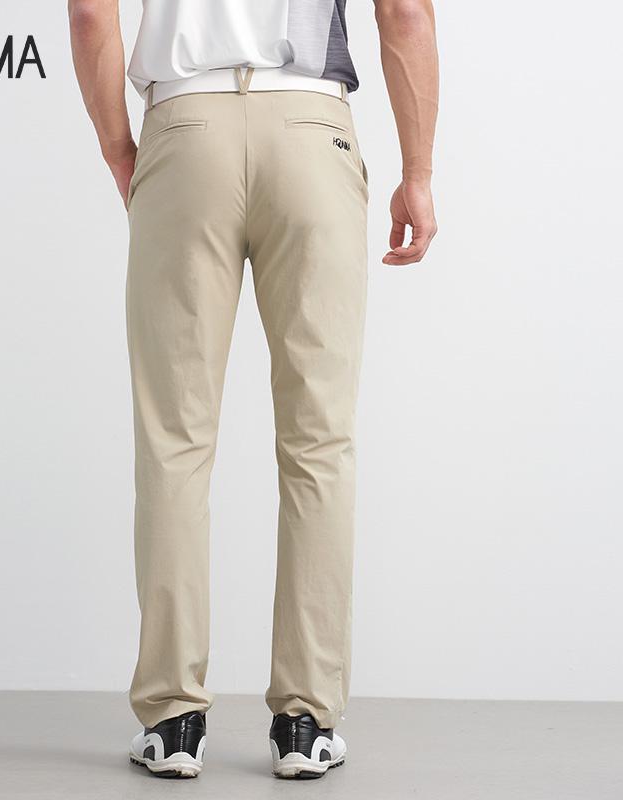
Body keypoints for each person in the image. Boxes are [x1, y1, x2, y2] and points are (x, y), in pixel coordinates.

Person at [69, 0, 438, 780]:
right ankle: (306, 722)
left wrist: (118, 148)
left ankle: (172, 721)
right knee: (319, 441)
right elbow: (405, 13)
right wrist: (419, 173)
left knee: (173, 441)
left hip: (185, 127)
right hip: (311, 128)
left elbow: (90, 13)